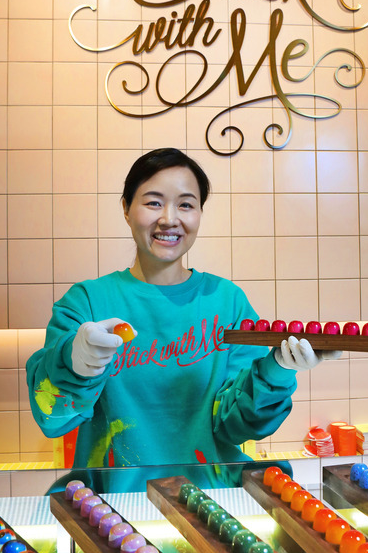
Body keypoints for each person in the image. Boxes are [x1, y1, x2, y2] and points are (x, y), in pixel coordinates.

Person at [27, 148, 340, 477]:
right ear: (126, 208)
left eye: (186, 204)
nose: (169, 218)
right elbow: (53, 417)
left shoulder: (226, 301)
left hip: (210, 502)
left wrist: (276, 370)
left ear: (199, 214)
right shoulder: (87, 302)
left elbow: (235, 426)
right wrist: (74, 363)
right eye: (153, 202)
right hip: (111, 507)